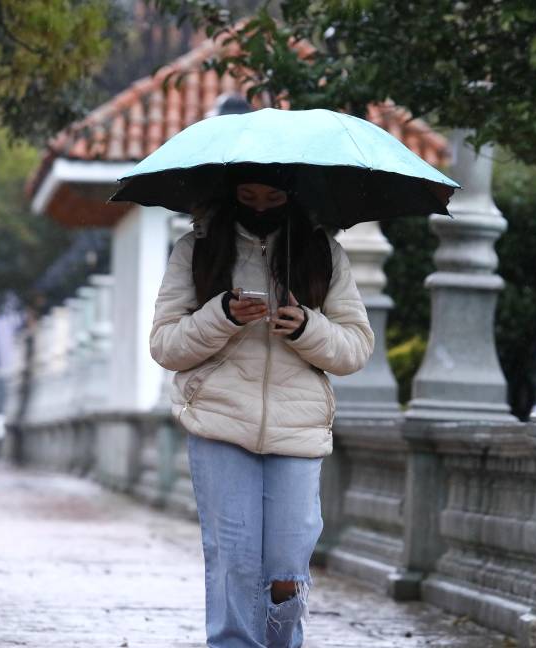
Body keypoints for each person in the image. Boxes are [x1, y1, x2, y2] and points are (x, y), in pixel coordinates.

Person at [150, 164, 374, 648]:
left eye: (272, 198)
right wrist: (222, 315)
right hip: (220, 422)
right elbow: (165, 346)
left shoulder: (323, 253)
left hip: (298, 429)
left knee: (287, 567)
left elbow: (356, 348)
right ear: (230, 193)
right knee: (235, 559)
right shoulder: (196, 250)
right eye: (248, 196)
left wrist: (306, 327)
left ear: (291, 195)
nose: (259, 207)